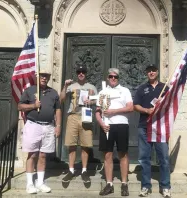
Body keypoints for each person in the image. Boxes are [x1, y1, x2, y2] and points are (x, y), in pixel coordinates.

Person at [18, 69, 61, 194]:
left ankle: (40, 182)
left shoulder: (53, 93)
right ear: (38, 77)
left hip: (48, 127)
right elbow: (20, 106)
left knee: (43, 155)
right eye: (42, 76)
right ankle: (30, 183)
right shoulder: (30, 91)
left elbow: (57, 110)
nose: (44, 78)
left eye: (46, 76)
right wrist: (33, 106)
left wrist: (58, 125)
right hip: (33, 125)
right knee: (32, 154)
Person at [133, 64, 171, 198]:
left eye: (153, 70)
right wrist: (146, 110)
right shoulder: (141, 88)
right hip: (144, 126)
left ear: (157, 72)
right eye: (149, 71)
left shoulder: (165, 88)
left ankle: (165, 186)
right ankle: (145, 186)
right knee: (144, 158)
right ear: (146, 73)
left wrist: (163, 103)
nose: (151, 72)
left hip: (160, 127)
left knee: (164, 158)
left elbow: (171, 104)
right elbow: (135, 105)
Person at [95, 68, 133, 196]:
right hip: (107, 126)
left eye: (115, 77)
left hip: (121, 125)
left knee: (123, 154)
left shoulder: (125, 91)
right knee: (107, 155)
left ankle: (124, 184)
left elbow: (130, 107)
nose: (113, 78)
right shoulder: (102, 92)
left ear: (118, 78)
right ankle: (109, 184)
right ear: (107, 77)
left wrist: (113, 111)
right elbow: (98, 112)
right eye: (110, 76)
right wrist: (101, 124)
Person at [60, 65, 97, 183]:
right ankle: (71, 170)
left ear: (86, 73)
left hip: (86, 116)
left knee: (85, 145)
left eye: (83, 72)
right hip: (73, 116)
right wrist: (65, 86)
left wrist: (90, 101)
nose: (81, 73)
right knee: (71, 144)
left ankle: (84, 170)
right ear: (77, 74)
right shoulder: (71, 86)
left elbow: (97, 101)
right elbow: (61, 99)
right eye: (79, 72)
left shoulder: (91, 87)